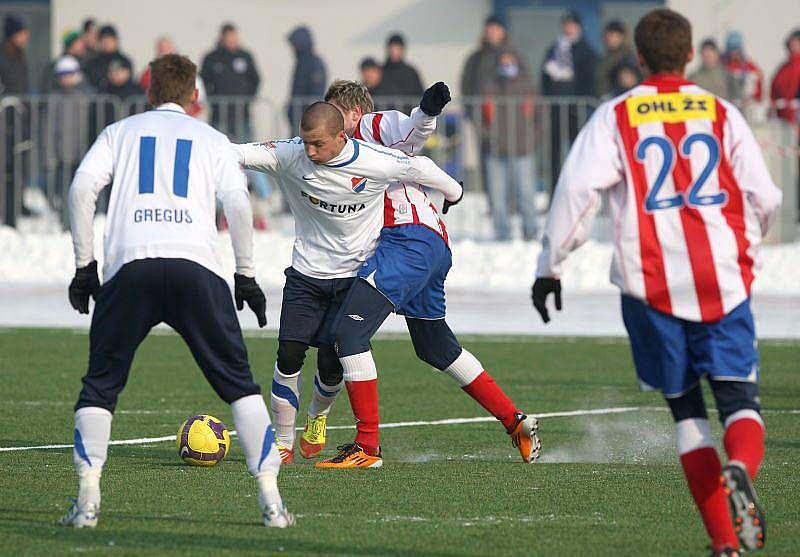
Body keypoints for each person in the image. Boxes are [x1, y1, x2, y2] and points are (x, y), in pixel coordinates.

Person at [531, 9, 781, 556]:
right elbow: (766, 197)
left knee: (687, 412)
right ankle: (739, 467)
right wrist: (746, 247)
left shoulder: (615, 116)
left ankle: (724, 545)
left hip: (652, 288)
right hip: (722, 282)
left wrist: (551, 266)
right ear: (690, 55)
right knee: (740, 400)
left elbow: (577, 193)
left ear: (639, 58)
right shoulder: (722, 112)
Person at [61, 53, 292, 529]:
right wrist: (245, 274)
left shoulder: (119, 133)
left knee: (101, 385)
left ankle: (87, 499)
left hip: (132, 267)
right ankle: (271, 501)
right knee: (240, 386)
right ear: (195, 96)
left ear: (148, 92)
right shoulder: (211, 139)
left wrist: (85, 266)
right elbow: (238, 205)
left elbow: (81, 189)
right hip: (196, 270)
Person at [307, 79, 541, 468]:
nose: (326, 129)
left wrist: (428, 111)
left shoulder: (366, 128)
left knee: (348, 333)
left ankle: (367, 447)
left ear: (353, 113)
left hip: (407, 241)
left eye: (334, 116)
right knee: (434, 345)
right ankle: (514, 420)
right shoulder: (344, 153)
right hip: (426, 244)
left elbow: (411, 130)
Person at [233, 102, 463, 465]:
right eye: (306, 142)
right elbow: (237, 153)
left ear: (342, 137)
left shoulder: (375, 160)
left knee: (330, 364)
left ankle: (318, 417)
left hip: (352, 279)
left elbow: (420, 166)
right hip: (306, 275)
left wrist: (454, 192)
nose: (310, 151)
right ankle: (282, 442)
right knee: (288, 357)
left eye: (319, 144)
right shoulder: (291, 154)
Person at [482, 50, 539, 240]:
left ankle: (530, 233)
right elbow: (480, 117)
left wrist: (532, 139)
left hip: (523, 148)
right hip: (496, 149)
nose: (507, 66)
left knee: (526, 195)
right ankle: (502, 235)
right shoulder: (491, 87)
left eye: (510, 62)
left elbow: (540, 117)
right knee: (498, 198)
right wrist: (488, 137)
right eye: (503, 62)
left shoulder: (527, 88)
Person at [541, 11, 597, 192]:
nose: (568, 28)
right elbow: (544, 77)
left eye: (572, 24)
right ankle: (555, 191)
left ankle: (577, 189)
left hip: (577, 109)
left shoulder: (585, 50)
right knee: (555, 153)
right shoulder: (554, 49)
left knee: (577, 151)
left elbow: (589, 79)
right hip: (557, 108)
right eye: (566, 24)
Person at [44, 56, 95, 224]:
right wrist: (50, 155)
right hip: (63, 153)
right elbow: (49, 128)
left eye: (69, 75)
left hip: (83, 151)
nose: (66, 79)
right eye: (62, 76)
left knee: (82, 190)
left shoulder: (87, 96)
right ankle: (66, 222)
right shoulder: (54, 97)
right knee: (65, 189)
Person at [200, 23, 260, 141]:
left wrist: (248, 99)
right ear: (222, 38)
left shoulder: (245, 56)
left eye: (234, 37)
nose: (232, 41)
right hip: (219, 115)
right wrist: (213, 99)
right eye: (229, 38)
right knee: (218, 149)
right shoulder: (212, 58)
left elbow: (255, 79)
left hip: (242, 114)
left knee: (245, 150)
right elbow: (203, 81)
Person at [0, 15, 31, 228]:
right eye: (22, 33)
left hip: (18, 116)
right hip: (5, 117)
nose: (26, 37)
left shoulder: (20, 56)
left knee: (17, 165)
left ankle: (13, 209)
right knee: (7, 166)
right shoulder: (4, 56)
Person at [139, 36, 207, 118]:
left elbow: (199, 101)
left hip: (186, 118)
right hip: (158, 118)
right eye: (161, 51)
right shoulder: (149, 74)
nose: (164, 54)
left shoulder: (188, 73)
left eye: (167, 50)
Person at [286, 26, 327, 133]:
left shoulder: (314, 63)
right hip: (297, 115)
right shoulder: (301, 63)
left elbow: (316, 90)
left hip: (307, 116)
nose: (293, 48)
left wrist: (309, 112)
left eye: (295, 45)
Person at [379, 33, 424, 112]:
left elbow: (420, 95)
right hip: (385, 117)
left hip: (407, 116)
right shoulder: (381, 71)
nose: (394, 52)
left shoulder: (411, 72)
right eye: (392, 48)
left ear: (402, 50)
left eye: (397, 48)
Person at [596, 20, 640, 97]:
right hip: (603, 96)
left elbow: (628, 81)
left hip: (618, 97)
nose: (610, 39)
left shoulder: (627, 56)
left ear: (622, 37)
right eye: (608, 36)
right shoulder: (603, 57)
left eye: (613, 36)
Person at [85, 25, 133, 90]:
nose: (107, 43)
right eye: (103, 40)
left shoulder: (125, 61)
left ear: (116, 40)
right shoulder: (94, 62)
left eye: (109, 40)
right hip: (101, 96)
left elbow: (130, 81)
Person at [724, 31, 763, 105]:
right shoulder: (723, 65)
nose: (734, 52)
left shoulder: (748, 66)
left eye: (736, 49)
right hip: (729, 103)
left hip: (745, 105)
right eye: (731, 49)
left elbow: (758, 85)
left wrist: (755, 98)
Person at [770, 29, 800, 124]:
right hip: (784, 116)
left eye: (796, 44)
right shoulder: (784, 68)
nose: (793, 48)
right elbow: (774, 87)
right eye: (791, 45)